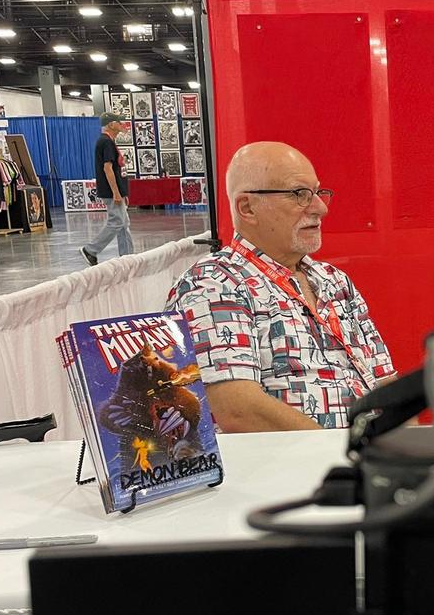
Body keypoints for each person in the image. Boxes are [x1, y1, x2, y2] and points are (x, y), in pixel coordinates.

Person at [165, 141, 394, 432]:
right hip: (291, 470)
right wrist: (343, 458)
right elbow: (238, 410)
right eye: (300, 194)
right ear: (247, 207)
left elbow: (384, 381)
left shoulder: (334, 280)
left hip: (366, 462)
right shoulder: (212, 283)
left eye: (318, 193)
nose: (320, 208)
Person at [80, 112, 133, 265]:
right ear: (111, 124)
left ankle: (127, 256)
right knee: (116, 222)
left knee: (124, 223)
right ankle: (91, 250)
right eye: (119, 122)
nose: (122, 125)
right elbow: (107, 169)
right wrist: (116, 192)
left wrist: (122, 192)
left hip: (116, 190)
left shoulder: (108, 141)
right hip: (111, 191)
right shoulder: (106, 142)